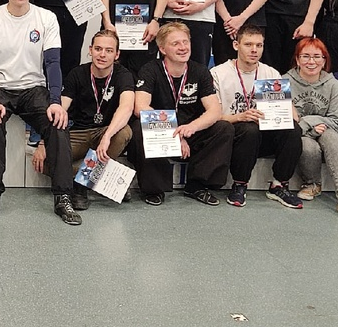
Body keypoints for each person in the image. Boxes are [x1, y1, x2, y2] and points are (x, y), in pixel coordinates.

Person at [0, 0, 79, 225]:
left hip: (33, 89)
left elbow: (53, 63)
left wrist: (55, 101)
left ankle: (63, 197)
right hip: (0, 88)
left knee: (58, 124)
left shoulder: (46, 18)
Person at [32, 29, 135, 211]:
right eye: (98, 49)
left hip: (105, 131)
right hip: (78, 133)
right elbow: (59, 109)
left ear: (117, 54)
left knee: (124, 132)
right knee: (46, 161)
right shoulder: (77, 73)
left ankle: (80, 187)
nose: (102, 55)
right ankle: (105, 177)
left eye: (109, 50)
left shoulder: (123, 74)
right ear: (90, 50)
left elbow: (126, 107)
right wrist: (43, 142)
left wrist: (107, 136)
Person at [132, 22, 234, 206]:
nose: (183, 47)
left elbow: (214, 110)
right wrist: (174, 134)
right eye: (176, 43)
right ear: (162, 49)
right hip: (161, 132)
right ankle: (154, 189)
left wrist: (191, 128)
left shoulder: (200, 71)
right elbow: (140, 107)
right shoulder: (150, 70)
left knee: (223, 128)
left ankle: (197, 185)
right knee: (141, 127)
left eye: (185, 42)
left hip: (190, 131)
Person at [211, 23, 303, 208]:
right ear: (236, 45)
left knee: (293, 129)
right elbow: (212, 116)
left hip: (265, 132)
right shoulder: (218, 73)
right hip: (234, 133)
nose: (254, 50)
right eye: (248, 44)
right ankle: (239, 184)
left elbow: (294, 115)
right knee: (249, 129)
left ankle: (279, 184)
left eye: (259, 45)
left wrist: (286, 111)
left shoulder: (271, 73)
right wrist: (240, 116)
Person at [289, 37, 338, 212]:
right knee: (307, 145)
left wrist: (308, 122)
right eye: (306, 56)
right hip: (301, 134)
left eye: (317, 57)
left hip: (326, 130)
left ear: (324, 60)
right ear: (297, 59)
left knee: (332, 137)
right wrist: (310, 129)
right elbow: (286, 121)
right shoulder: (284, 82)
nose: (311, 62)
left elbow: (336, 120)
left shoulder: (333, 84)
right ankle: (312, 184)